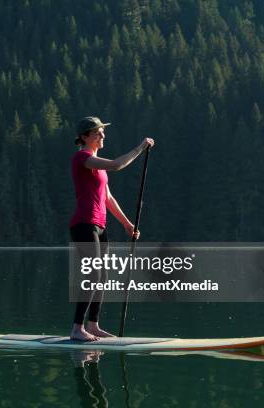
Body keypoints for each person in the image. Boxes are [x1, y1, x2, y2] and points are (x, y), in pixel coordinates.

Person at [70, 116, 154, 341]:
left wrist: (127, 223)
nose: (102, 136)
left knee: (103, 275)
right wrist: (140, 147)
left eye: (102, 132)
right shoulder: (83, 158)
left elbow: (108, 198)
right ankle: (77, 328)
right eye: (98, 133)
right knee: (94, 273)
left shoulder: (99, 169)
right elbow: (117, 165)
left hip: (99, 225)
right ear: (85, 137)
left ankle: (93, 325)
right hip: (83, 224)